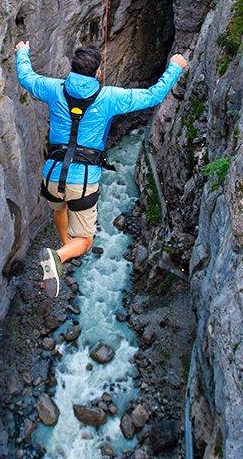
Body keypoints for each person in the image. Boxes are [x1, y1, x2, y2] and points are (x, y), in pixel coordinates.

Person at [15, 41, 187, 297]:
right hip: (82, 180)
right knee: (85, 242)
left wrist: (22, 52)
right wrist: (175, 67)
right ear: (97, 73)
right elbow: (153, 96)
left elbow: (26, 77)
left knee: (59, 207)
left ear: (72, 69)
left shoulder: (53, 89)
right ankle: (60, 255)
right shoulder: (109, 98)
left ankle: (63, 251)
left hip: (52, 173)